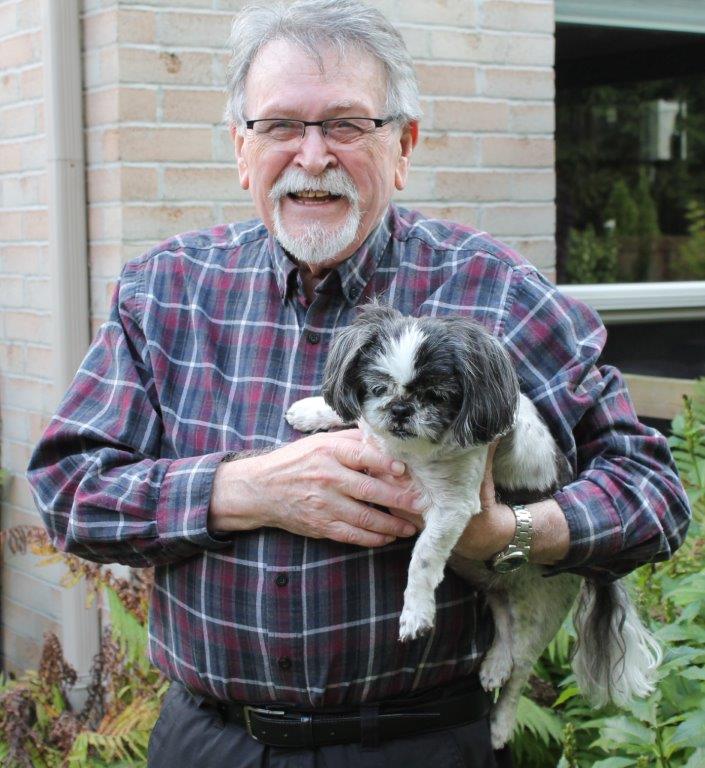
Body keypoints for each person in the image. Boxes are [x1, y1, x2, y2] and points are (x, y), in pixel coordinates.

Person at [27, 1, 690, 766]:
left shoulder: (496, 289)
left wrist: (502, 536)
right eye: (279, 125)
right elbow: (69, 490)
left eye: (345, 124)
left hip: (421, 745)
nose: (312, 156)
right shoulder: (165, 290)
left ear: (402, 145)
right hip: (209, 743)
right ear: (241, 148)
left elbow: (651, 494)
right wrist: (245, 489)